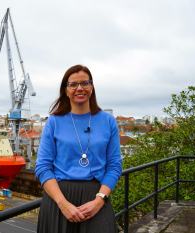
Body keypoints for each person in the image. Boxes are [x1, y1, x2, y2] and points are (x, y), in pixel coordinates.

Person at [35, 65, 122, 233]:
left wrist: (100, 201)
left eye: (85, 83)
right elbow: (43, 167)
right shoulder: (54, 121)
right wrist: (63, 204)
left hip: (96, 198)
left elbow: (114, 165)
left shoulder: (108, 121)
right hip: (59, 200)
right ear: (66, 89)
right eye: (73, 84)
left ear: (92, 87)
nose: (80, 88)